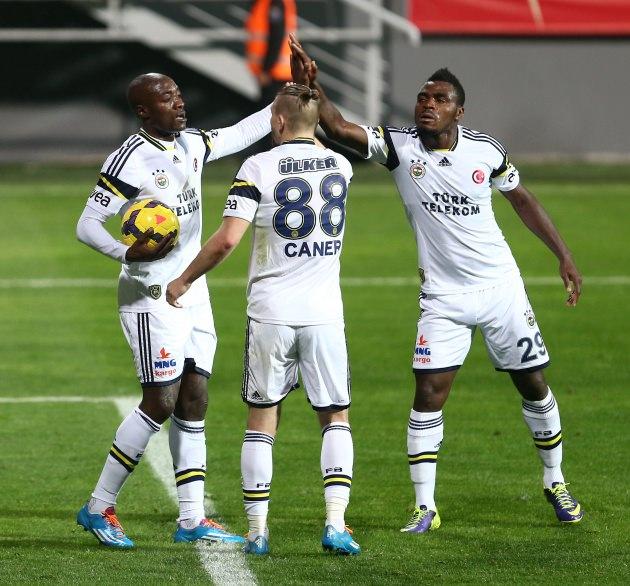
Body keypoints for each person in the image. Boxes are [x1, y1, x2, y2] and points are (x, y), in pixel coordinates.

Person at [289, 37, 584, 533]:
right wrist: (312, 87)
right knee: (428, 393)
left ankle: (555, 481)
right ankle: (425, 506)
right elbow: (336, 127)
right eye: (423, 97)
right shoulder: (399, 146)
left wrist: (564, 255)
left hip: (500, 291)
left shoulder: (486, 151)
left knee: (533, 384)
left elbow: (523, 200)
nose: (427, 105)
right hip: (443, 299)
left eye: (439, 99)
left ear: (458, 112)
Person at [75, 72, 272, 549]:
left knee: (194, 398)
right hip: (150, 295)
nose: (178, 103)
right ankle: (98, 507)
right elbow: (88, 224)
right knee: (161, 401)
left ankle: (191, 518)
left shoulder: (191, 143)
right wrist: (126, 253)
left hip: (193, 290)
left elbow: (241, 133)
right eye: (166, 98)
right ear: (143, 111)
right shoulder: (129, 158)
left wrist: (286, 99)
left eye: (179, 95)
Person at [166, 84, 360, 556]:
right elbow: (317, 134)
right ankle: (336, 524)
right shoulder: (342, 165)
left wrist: (184, 279)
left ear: (277, 121)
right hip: (324, 313)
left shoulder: (257, 168)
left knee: (262, 419)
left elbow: (227, 240)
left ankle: (257, 532)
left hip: (271, 312)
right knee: (335, 416)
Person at [246, 0, 297, 108]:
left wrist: (266, 70)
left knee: (270, 112)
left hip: (275, 73)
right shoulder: (266, 3)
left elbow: (276, 37)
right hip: (273, 72)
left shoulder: (274, 3)